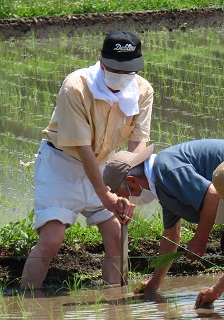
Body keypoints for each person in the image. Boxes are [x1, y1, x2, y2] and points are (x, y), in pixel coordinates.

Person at [20, 31, 152, 289]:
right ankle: (27, 301)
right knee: (52, 239)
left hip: (105, 165)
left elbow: (138, 142)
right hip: (61, 165)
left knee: (116, 233)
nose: (123, 77)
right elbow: (82, 148)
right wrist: (105, 195)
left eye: (129, 71)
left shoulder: (143, 90)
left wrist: (127, 187)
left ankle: (116, 304)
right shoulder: (76, 87)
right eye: (116, 69)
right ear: (101, 63)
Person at [102, 138, 224, 295]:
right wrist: (154, 283)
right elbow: (171, 235)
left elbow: (211, 195)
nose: (127, 200)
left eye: (124, 194)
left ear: (132, 181)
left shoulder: (165, 169)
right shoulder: (160, 183)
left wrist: (200, 239)